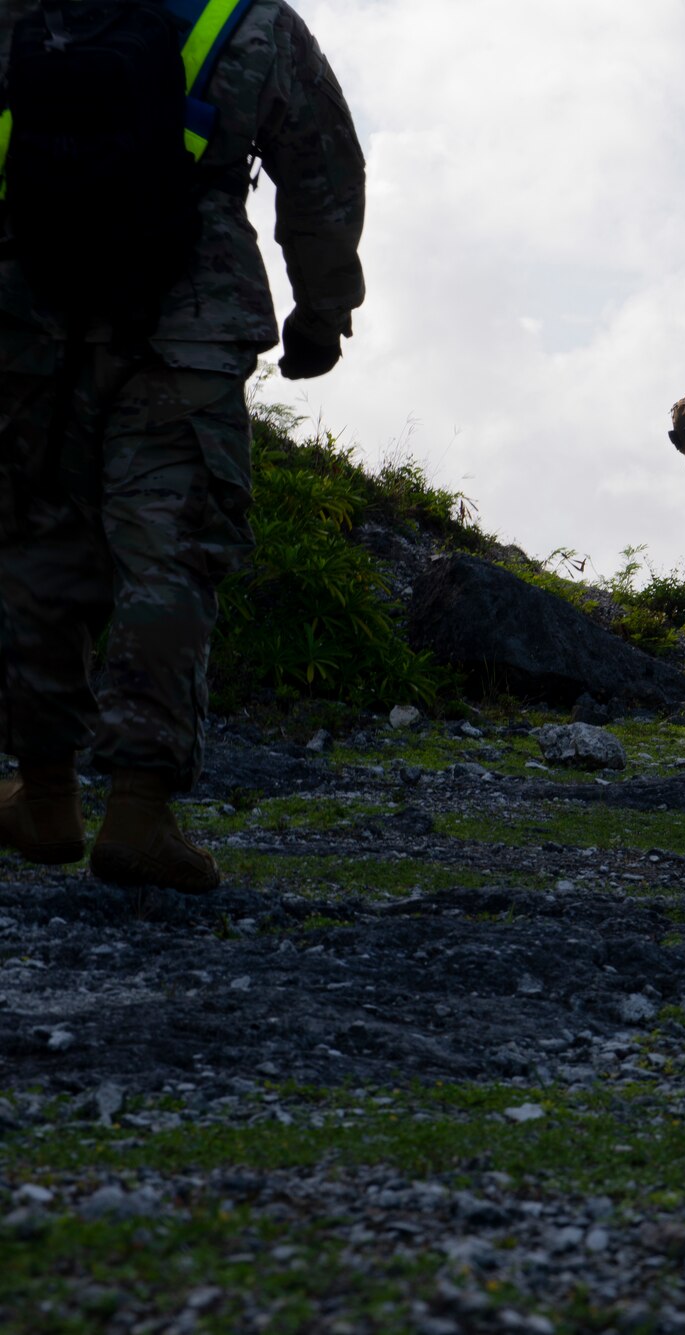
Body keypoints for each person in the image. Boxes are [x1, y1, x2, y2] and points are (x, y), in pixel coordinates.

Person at [0, 0, 366, 895]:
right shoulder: (248, 21)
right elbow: (321, 169)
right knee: (168, 554)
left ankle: (43, 795)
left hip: (29, 312)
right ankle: (138, 811)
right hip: (185, 316)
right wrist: (322, 313)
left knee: (34, 547)